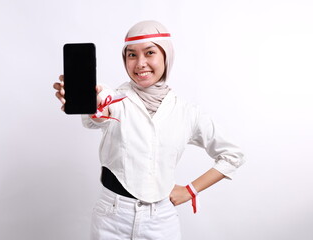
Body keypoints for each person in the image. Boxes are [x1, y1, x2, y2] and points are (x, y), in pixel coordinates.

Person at [53, 20, 244, 240]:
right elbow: (95, 117)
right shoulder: (114, 99)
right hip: (111, 217)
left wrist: (190, 190)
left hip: (161, 221)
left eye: (150, 52)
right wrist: (87, 100)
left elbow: (232, 155)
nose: (140, 63)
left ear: (166, 55)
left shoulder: (187, 112)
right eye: (132, 55)